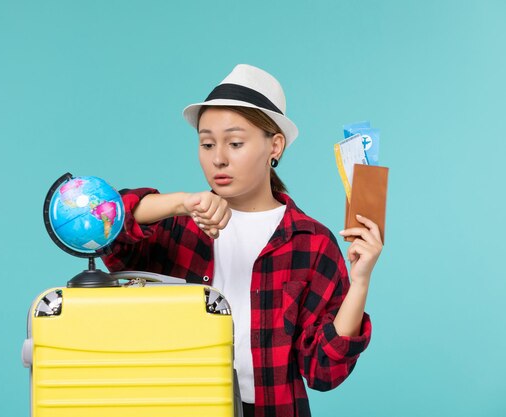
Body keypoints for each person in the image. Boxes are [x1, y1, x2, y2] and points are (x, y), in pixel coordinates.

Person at [100, 64, 383, 417]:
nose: (218, 158)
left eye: (235, 143)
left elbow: (324, 371)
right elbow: (103, 221)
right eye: (206, 143)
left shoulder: (311, 243)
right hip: (177, 405)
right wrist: (179, 203)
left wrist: (360, 281)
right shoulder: (176, 226)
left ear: (274, 146)